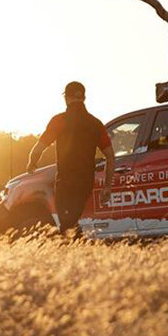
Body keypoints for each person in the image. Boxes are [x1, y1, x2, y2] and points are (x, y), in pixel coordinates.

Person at [27, 81, 116, 234]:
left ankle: (72, 250)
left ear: (66, 98)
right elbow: (110, 156)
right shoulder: (96, 124)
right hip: (86, 183)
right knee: (73, 222)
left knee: (66, 224)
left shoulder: (59, 121)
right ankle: (76, 248)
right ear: (84, 98)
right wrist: (107, 186)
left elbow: (39, 147)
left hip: (65, 181)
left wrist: (31, 163)